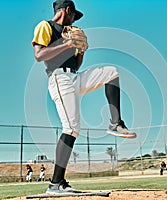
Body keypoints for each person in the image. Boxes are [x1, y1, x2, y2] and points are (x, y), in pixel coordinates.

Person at [31, 0, 137, 194]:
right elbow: (39, 55)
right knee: (71, 128)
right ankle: (55, 184)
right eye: (73, 16)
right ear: (67, 10)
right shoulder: (45, 26)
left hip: (74, 76)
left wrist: (80, 51)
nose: (73, 21)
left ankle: (116, 123)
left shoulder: (69, 33)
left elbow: (77, 66)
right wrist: (68, 43)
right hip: (59, 78)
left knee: (111, 72)